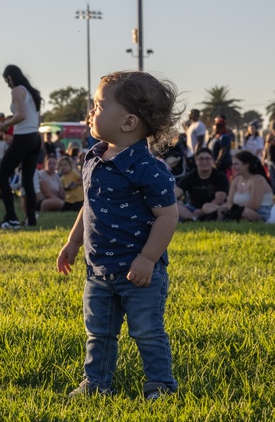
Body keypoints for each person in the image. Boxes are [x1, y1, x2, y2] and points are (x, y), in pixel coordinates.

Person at [56, 71, 180, 400]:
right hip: (98, 270)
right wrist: (73, 241)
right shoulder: (93, 158)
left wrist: (148, 258)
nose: (91, 112)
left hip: (139, 272)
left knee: (147, 331)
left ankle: (160, 386)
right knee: (99, 333)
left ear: (128, 122)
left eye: (98, 105)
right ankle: (96, 384)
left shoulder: (148, 168)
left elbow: (168, 216)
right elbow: (90, 205)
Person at [0, 65, 43, 228]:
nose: (7, 83)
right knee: (27, 180)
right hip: (35, 138)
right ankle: (31, 219)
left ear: (10, 77)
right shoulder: (32, 92)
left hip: (23, 137)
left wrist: (3, 126)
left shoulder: (16, 91)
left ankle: (11, 218)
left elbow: (22, 115)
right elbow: (34, 118)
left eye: (6, 80)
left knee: (2, 176)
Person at [199, 151, 273, 222]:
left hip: (256, 213)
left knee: (243, 211)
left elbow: (254, 205)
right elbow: (229, 202)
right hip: (235, 211)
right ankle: (226, 217)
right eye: (232, 164)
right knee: (207, 206)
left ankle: (221, 217)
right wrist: (229, 207)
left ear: (246, 165)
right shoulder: (236, 180)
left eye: (236, 164)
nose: (233, 167)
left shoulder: (257, 179)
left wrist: (231, 207)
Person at [174, 148, 229, 221]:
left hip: (213, 208)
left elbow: (220, 198)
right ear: (196, 161)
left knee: (208, 207)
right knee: (173, 205)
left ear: (212, 161)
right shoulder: (190, 176)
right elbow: (175, 194)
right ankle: (194, 219)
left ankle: (197, 218)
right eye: (201, 159)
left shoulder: (220, 176)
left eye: (207, 159)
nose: (204, 161)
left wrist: (202, 210)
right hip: (193, 210)